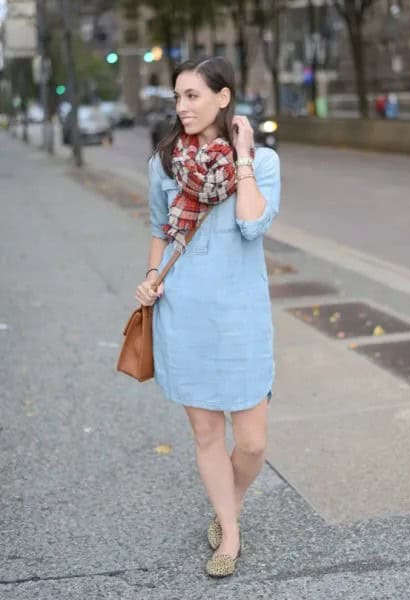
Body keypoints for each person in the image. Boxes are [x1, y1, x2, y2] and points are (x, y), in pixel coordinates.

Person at [134, 56, 281, 578]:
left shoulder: (262, 163)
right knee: (206, 435)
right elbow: (158, 226)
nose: (182, 107)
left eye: (192, 95)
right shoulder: (165, 163)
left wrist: (241, 155)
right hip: (185, 310)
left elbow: (251, 222)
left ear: (223, 98)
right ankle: (229, 532)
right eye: (178, 97)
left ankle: (229, 506)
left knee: (254, 442)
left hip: (241, 313)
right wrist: (152, 276)